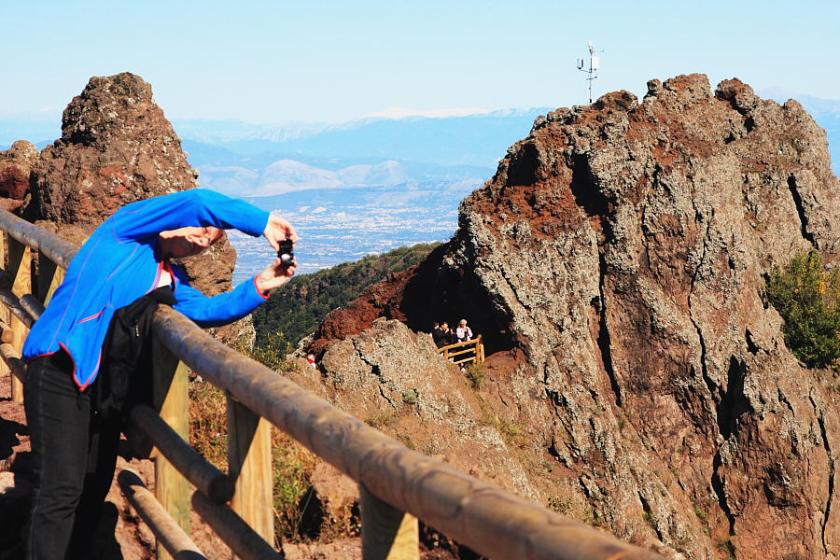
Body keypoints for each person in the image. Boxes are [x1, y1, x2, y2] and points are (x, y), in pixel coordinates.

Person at [21, 188, 298, 559]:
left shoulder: (171, 282)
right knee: (60, 490)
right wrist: (262, 223)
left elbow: (208, 311)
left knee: (93, 486)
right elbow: (198, 202)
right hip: (58, 366)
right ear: (171, 224)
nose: (203, 238)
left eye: (210, 239)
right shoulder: (128, 230)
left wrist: (261, 285)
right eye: (201, 228)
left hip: (100, 389)